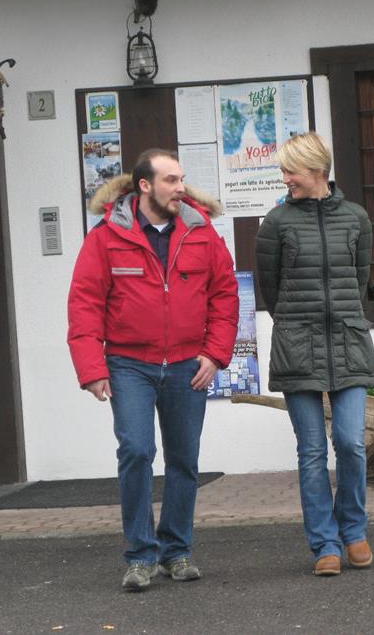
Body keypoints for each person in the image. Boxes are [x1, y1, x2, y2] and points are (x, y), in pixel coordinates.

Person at [67, 148, 239, 591]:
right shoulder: (106, 236)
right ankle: (141, 556)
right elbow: (85, 305)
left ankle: (176, 552)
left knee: (184, 459)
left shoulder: (202, 232)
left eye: (182, 179)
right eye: (170, 180)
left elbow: (225, 295)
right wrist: (92, 369)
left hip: (187, 364)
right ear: (145, 186)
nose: (180, 188)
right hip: (128, 365)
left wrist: (215, 353)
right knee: (137, 451)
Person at [255, 132, 374, 576]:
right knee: (311, 451)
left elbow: (359, 281)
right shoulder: (276, 223)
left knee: (351, 443)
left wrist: (346, 318)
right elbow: (271, 288)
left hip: (348, 342)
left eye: (292, 171)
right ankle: (325, 544)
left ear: (317, 171)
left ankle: (355, 531)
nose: (286, 178)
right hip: (297, 346)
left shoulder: (356, 219)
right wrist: (295, 323)